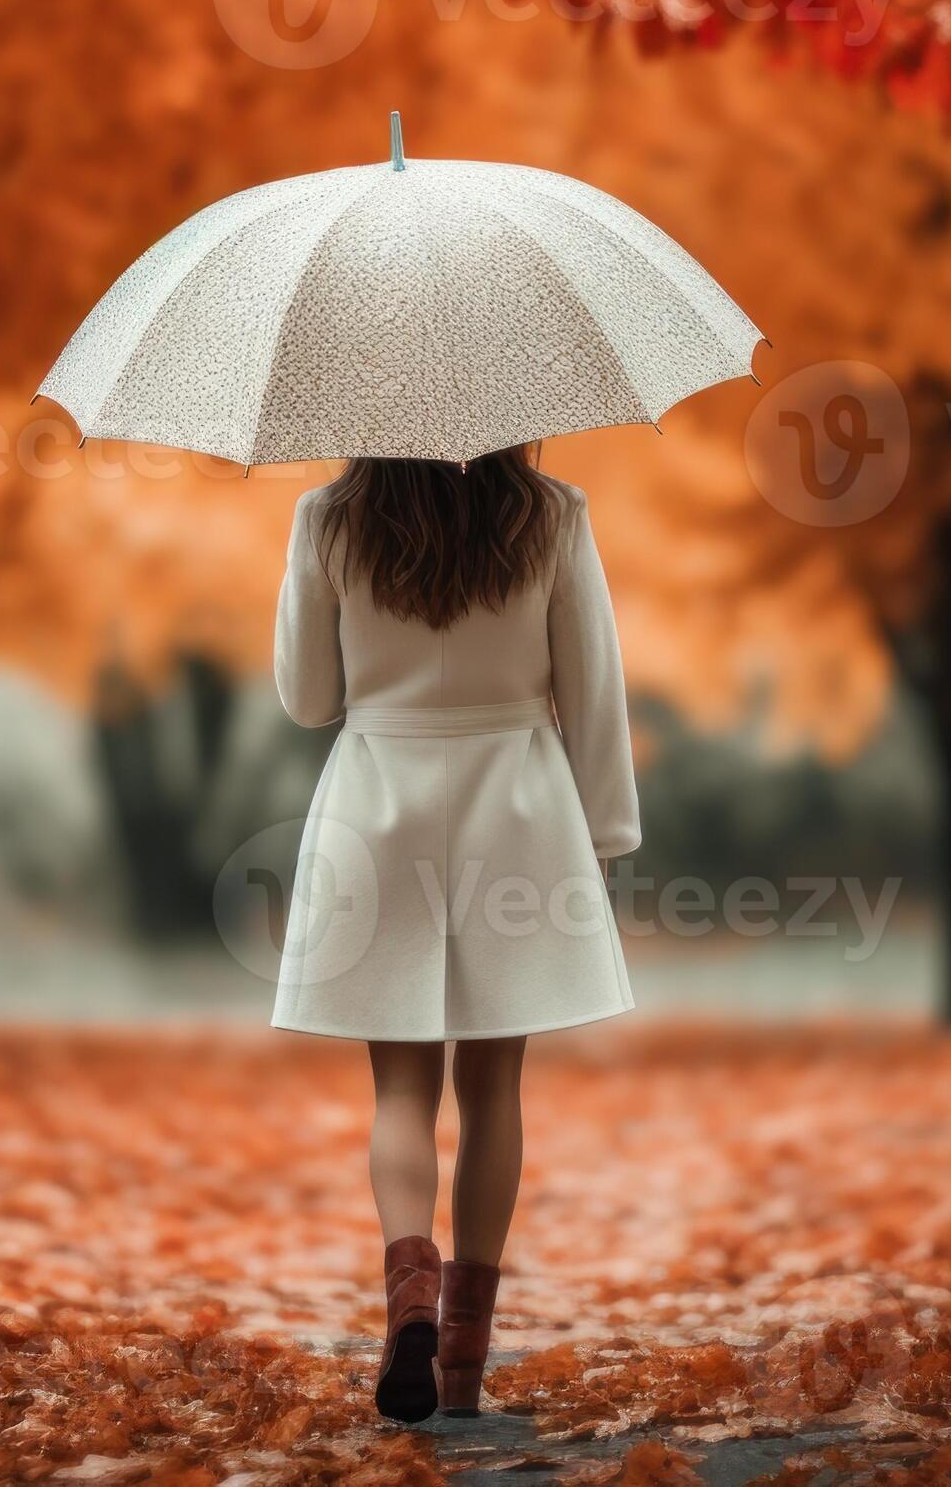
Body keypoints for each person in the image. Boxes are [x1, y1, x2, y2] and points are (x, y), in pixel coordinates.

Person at [268, 446, 640, 1423]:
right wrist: (604, 833)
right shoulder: (551, 513)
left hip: (376, 796)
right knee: (493, 1089)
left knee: (400, 1088)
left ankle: (410, 1302)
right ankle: (464, 1367)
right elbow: (592, 685)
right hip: (514, 806)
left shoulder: (329, 517)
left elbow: (308, 698)